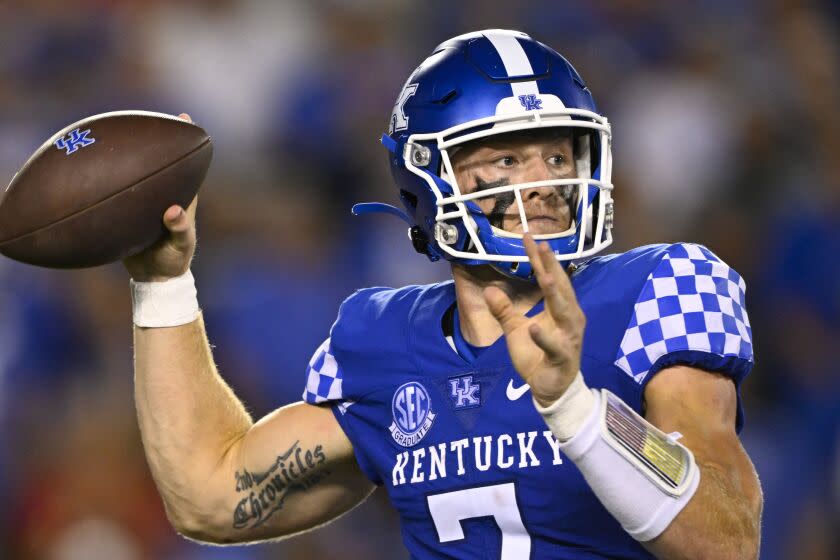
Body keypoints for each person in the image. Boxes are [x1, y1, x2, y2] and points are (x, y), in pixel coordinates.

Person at [124, 30, 763, 559]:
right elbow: (207, 497)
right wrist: (163, 282)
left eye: (558, 156)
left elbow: (728, 541)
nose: (541, 182)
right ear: (427, 180)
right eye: (508, 161)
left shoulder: (660, 289)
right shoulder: (380, 340)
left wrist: (577, 410)